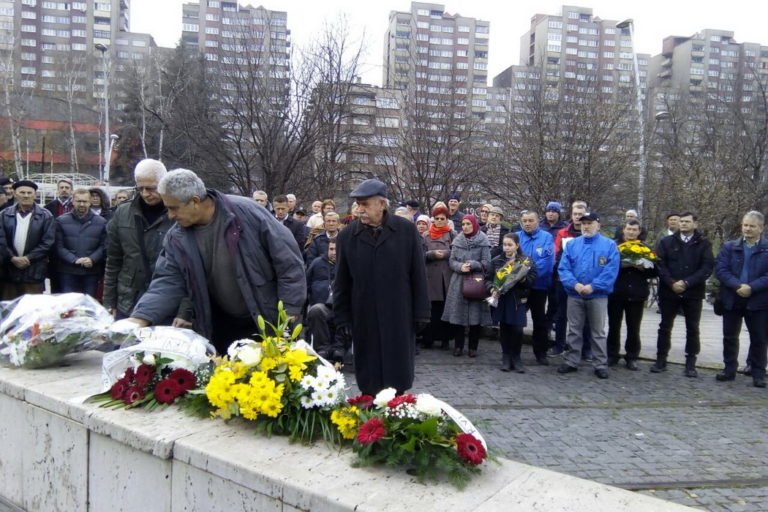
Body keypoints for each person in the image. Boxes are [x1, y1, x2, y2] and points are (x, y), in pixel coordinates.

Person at [334, 179, 429, 395]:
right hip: (364, 314)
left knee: (398, 371)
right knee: (369, 372)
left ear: (382, 204)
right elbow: (341, 282)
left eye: (365, 204)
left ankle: (397, 408)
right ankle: (370, 410)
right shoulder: (347, 236)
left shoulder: (405, 230)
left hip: (399, 313)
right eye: (358, 204)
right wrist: (342, 318)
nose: (360, 210)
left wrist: (421, 313)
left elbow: (418, 274)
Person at [104, 159, 187, 322]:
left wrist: (185, 312)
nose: (145, 194)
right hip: (128, 301)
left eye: (150, 188)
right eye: (140, 188)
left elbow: (190, 270)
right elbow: (113, 261)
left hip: (167, 304)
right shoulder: (122, 213)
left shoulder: (180, 215)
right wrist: (108, 302)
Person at [556, 212, 620, 379]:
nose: (586, 226)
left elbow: (611, 270)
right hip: (575, 294)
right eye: (583, 223)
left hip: (597, 295)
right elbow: (563, 268)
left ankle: (600, 364)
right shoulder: (572, 245)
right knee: (574, 330)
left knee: (597, 331)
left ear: (598, 225)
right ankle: (571, 361)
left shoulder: (609, 245)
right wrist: (574, 284)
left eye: (590, 223)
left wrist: (593, 286)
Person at [652, 212, 714, 377]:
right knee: (665, 326)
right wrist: (671, 282)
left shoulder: (704, 243)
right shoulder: (666, 241)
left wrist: (687, 283)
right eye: (681, 222)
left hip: (692, 292)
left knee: (692, 328)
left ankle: (690, 363)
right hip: (669, 291)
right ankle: (661, 359)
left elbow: (707, 267)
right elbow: (659, 264)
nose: (684, 224)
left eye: (687, 222)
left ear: (695, 224)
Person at [714, 211, 768, 388]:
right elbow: (721, 270)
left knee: (759, 338)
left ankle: (758, 373)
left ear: (761, 228)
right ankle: (729, 369)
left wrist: (752, 287)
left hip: (758, 300)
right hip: (733, 298)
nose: (748, 229)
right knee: (730, 336)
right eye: (745, 225)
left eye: (752, 226)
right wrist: (738, 286)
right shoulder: (730, 246)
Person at [607, 220, 656, 370]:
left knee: (634, 327)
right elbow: (605, 265)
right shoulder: (613, 246)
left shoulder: (645, 248)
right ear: (623, 230)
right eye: (629, 229)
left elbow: (655, 271)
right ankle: (612, 354)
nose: (631, 232)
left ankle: (632, 356)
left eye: (634, 230)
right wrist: (621, 265)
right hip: (617, 292)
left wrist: (642, 267)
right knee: (614, 326)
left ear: (639, 232)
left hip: (636, 293)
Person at [442, 214, 492, 358]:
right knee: (458, 317)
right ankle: (458, 346)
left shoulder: (483, 240)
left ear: (474, 224)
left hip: (476, 282)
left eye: (468, 224)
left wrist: (474, 265)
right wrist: (459, 266)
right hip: (459, 282)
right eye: (463, 224)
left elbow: (487, 262)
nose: (465, 227)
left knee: (475, 318)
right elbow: (451, 261)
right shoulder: (457, 240)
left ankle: (473, 347)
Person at [550, 200, 593, 359]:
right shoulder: (563, 233)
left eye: (580, 215)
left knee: (585, 317)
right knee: (561, 314)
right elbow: (557, 253)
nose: (577, 217)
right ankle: (559, 345)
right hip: (564, 280)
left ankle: (586, 348)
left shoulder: (591, 234)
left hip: (585, 282)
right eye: (575, 214)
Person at [486, 232, 536, 373]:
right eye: (504, 245)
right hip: (502, 299)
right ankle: (506, 357)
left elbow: (532, 278)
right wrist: (492, 288)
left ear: (517, 246)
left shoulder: (525, 261)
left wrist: (523, 279)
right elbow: (488, 278)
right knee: (505, 329)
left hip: (518, 299)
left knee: (517, 329)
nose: (506, 248)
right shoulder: (497, 260)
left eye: (510, 245)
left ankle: (517, 357)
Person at [0, 180, 55, 299]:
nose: (26, 195)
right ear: (15, 194)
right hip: (9, 270)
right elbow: (1, 240)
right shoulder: (4, 215)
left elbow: (47, 242)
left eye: (29, 193)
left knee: (32, 311)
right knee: (8, 310)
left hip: (34, 271)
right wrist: (12, 258)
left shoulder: (46, 216)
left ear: (35, 195)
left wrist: (28, 258)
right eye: (22, 192)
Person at [518, 210, 555, 365]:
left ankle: (541, 352)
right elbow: (511, 259)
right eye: (524, 220)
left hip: (539, 286)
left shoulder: (546, 238)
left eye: (530, 220)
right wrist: (519, 277)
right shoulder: (517, 236)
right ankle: (514, 352)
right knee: (517, 320)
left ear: (537, 221)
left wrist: (527, 276)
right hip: (519, 286)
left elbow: (546, 263)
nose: (527, 223)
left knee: (539, 320)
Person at [54, 189, 107, 296]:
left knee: (88, 305)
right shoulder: (61, 220)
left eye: (85, 201)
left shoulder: (101, 222)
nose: (82, 204)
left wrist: (92, 259)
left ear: (90, 202)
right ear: (73, 201)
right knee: (69, 306)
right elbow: (58, 246)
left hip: (91, 271)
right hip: (68, 271)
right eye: (78, 201)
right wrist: (74, 260)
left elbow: (104, 246)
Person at [306, 240, 346, 362]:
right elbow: (305, 285)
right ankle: (323, 349)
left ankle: (339, 349)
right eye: (331, 249)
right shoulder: (317, 263)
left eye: (337, 249)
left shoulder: (349, 263)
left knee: (347, 312)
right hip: (323, 305)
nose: (334, 252)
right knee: (316, 310)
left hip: (343, 306)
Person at [422, 205, 454, 350]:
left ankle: (445, 339)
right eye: (437, 218)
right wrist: (432, 254)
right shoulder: (426, 235)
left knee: (445, 309)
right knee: (431, 310)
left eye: (443, 218)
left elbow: (456, 253)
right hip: (430, 276)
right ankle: (428, 338)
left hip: (445, 276)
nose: (440, 221)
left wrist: (446, 254)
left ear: (447, 220)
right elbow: (420, 255)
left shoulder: (452, 234)